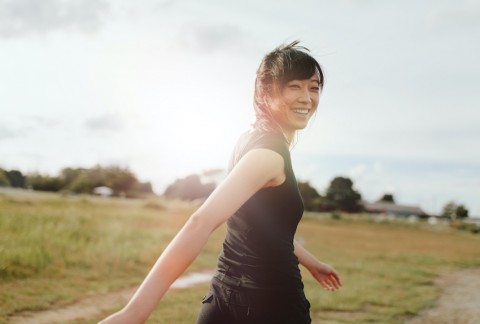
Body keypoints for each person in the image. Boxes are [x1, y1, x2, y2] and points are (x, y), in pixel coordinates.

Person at [99, 41, 341, 324]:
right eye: (294, 86)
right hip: (273, 304)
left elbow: (265, 227)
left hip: (223, 300)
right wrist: (134, 312)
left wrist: (312, 263)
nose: (306, 97)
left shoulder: (249, 141)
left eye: (313, 87)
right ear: (266, 92)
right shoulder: (268, 155)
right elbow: (200, 222)